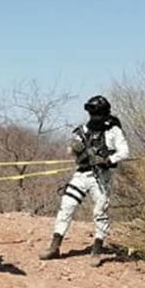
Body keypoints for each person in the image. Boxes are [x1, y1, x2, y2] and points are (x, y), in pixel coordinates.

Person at [40, 95, 129, 262]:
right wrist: (74, 148)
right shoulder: (84, 130)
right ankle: (54, 247)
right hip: (81, 174)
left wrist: (108, 160)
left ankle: (96, 250)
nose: (93, 117)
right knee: (66, 206)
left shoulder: (113, 131)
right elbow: (71, 150)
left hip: (102, 177)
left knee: (99, 212)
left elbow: (124, 151)